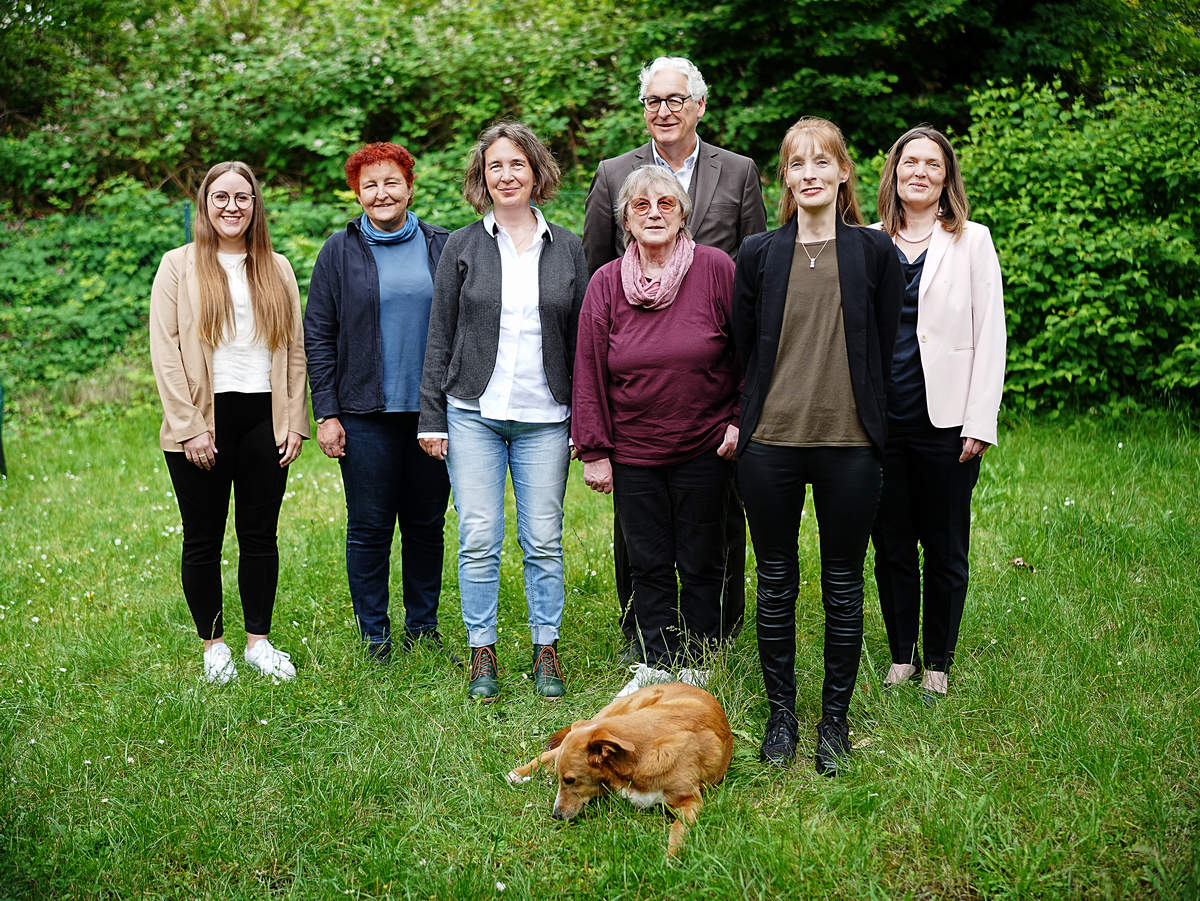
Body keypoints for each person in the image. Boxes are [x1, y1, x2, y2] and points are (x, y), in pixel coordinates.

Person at [732, 118, 903, 774]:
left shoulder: (874, 253)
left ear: (843, 173)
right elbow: (746, 346)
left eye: (821, 161)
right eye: (796, 163)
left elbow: (883, 341)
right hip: (771, 442)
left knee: (841, 582)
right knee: (775, 582)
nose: (809, 173)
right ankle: (782, 715)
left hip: (850, 441)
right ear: (785, 177)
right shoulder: (759, 254)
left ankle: (835, 720)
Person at [582, 55, 766, 659]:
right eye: (653, 101)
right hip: (636, 408)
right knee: (642, 536)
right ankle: (646, 640)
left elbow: (754, 278)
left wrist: (744, 407)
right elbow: (595, 273)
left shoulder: (737, 173)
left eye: (675, 100)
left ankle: (717, 632)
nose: (663, 111)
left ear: (698, 106)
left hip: (708, 393)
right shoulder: (614, 174)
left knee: (713, 525)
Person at [418, 122, 588, 702]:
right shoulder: (462, 246)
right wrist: (431, 417)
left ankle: (546, 649)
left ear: (537, 173)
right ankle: (482, 651)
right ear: (481, 178)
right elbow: (438, 335)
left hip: (547, 417)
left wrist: (585, 421)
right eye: (496, 166)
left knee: (543, 539)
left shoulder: (567, 247)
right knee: (478, 537)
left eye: (518, 164)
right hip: (473, 413)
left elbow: (584, 339)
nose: (507, 175)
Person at [573, 165, 739, 698]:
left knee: (701, 553)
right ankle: (657, 656)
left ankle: (699, 654)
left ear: (684, 214)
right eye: (641, 206)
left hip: (706, 442)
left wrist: (738, 420)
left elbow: (746, 352)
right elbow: (589, 369)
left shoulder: (716, 269)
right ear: (625, 219)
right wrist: (595, 449)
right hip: (634, 448)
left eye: (666, 204)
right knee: (646, 557)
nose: (654, 214)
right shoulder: (605, 283)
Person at [149, 161, 307, 684]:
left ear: (255, 206)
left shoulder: (277, 268)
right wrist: (190, 426)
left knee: (260, 535)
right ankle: (213, 646)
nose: (232, 207)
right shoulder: (178, 266)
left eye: (242, 197)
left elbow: (296, 350)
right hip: (203, 421)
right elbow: (166, 352)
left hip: (265, 418)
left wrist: (295, 422)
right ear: (205, 204)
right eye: (221, 197)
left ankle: (259, 643)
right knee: (203, 537)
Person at [870, 126, 1006, 698]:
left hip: (946, 422)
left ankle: (938, 662)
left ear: (947, 177)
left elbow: (990, 334)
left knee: (945, 545)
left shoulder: (972, 240)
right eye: (909, 163)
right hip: (880, 421)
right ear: (894, 174)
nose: (919, 172)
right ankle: (901, 654)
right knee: (892, 543)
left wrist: (979, 421)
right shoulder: (868, 241)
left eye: (932, 164)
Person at [304, 142, 453, 665]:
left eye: (391, 182)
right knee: (368, 527)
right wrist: (326, 412)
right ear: (357, 193)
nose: (381, 193)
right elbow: (318, 335)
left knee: (425, 524)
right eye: (370, 185)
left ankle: (423, 627)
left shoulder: (444, 246)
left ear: (410, 186)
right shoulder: (337, 252)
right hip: (364, 413)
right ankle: (374, 635)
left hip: (431, 414)